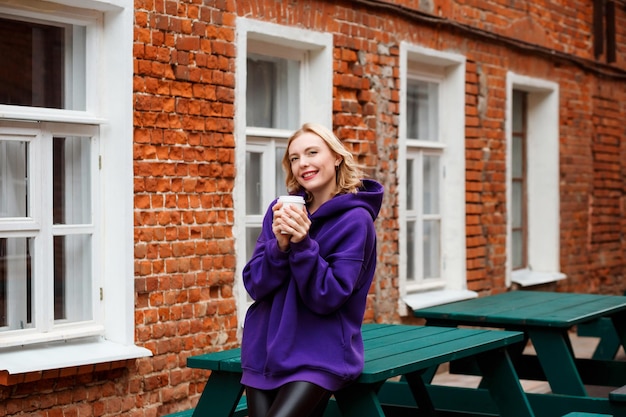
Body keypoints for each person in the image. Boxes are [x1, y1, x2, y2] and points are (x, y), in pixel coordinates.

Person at [240, 122, 384, 417]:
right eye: (294, 158)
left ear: (336, 157)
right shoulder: (280, 210)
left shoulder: (356, 220)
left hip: (320, 351)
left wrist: (303, 244)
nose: (302, 163)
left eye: (312, 152)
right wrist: (279, 247)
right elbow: (255, 284)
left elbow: (328, 296)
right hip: (264, 348)